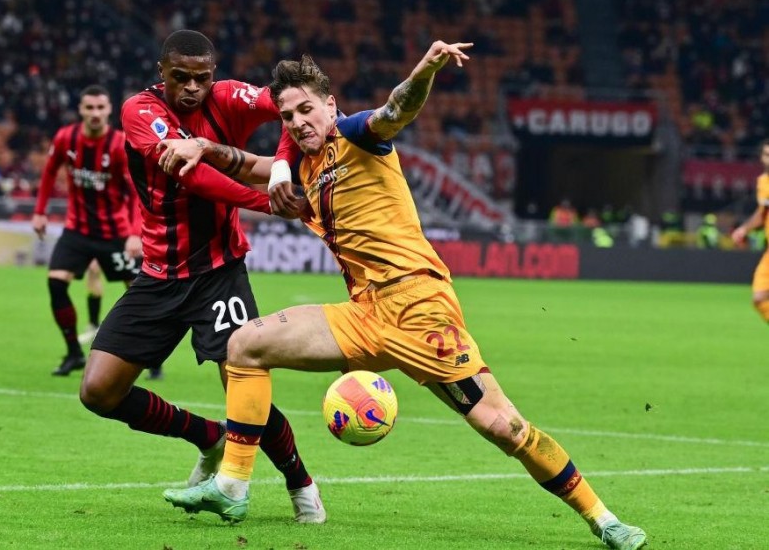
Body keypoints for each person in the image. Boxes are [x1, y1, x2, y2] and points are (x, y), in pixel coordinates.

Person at [162, 42, 647, 549]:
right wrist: (203, 147)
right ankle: (232, 486)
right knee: (244, 345)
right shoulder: (303, 166)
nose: (299, 122)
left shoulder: (356, 136)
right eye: (287, 115)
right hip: (364, 313)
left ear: (330, 104)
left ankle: (604, 520)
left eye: (307, 109)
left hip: (420, 309)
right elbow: (247, 165)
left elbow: (396, 111)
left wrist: (423, 70)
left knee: (503, 427)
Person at [79, 30, 324, 523]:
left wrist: (280, 172)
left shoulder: (230, 96)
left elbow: (288, 108)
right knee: (99, 391)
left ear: (214, 74)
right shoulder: (140, 112)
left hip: (219, 272)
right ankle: (207, 437)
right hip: (160, 272)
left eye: (202, 78)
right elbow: (194, 176)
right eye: (181, 78)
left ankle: (301, 484)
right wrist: (270, 204)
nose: (192, 87)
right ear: (161, 72)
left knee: (244, 387)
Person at [32, 84, 144, 377]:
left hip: (115, 233)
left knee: (140, 292)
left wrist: (134, 232)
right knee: (56, 282)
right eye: (89, 108)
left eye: (100, 108)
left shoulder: (120, 144)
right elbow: (48, 172)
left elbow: (135, 192)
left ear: (109, 110)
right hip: (77, 231)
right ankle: (73, 352)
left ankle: (148, 356)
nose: (95, 114)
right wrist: (40, 212)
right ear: (80, 110)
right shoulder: (66, 138)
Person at [732, 139, 769, 323]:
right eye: (766, 155)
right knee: (759, 298)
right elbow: (763, 213)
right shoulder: (763, 182)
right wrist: (744, 229)